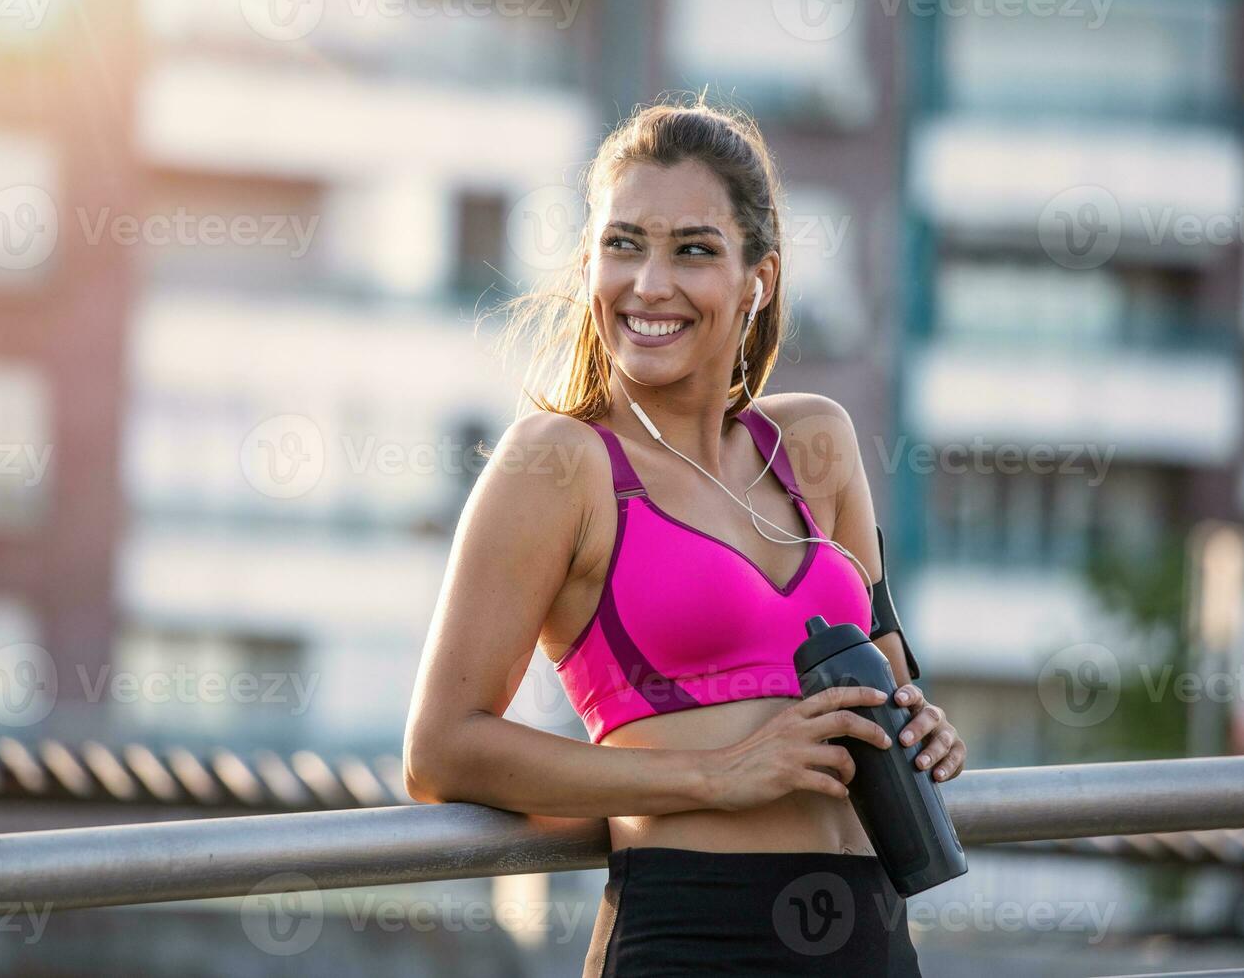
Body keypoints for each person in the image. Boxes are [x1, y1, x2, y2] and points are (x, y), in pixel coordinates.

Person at [404, 93, 965, 976]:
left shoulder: (816, 443)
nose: (649, 284)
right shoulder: (557, 464)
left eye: (693, 250)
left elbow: (886, 677)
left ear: (759, 280)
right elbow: (443, 749)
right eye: (622, 244)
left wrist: (924, 726)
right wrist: (717, 776)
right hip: (692, 939)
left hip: (874, 936)